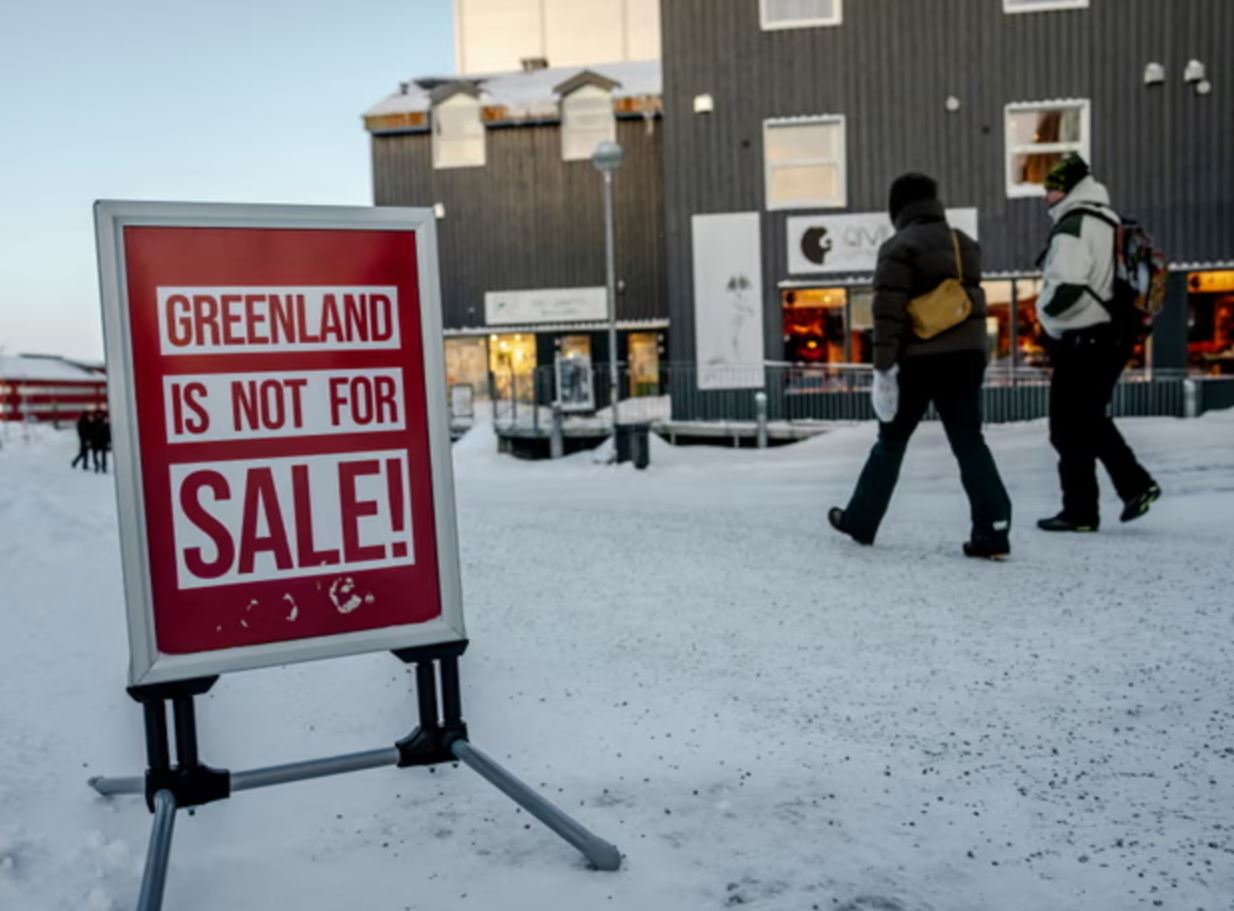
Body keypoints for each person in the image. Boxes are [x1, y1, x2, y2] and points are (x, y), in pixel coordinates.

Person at [829, 173, 1012, 558]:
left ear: (898, 208)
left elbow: (887, 316)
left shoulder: (898, 247)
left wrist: (883, 370)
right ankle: (994, 527)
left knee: (890, 443)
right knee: (969, 442)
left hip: (918, 361)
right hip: (965, 358)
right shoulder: (964, 244)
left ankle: (861, 521)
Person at [1034, 154, 1160, 532]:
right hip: (1111, 334)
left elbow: (1068, 287)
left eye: (1052, 189)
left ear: (1068, 189)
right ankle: (1116, 495)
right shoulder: (1107, 219)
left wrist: (1044, 315)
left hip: (1083, 337)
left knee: (1067, 425)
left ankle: (1087, 509)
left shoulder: (1073, 225)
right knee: (1088, 418)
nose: (1046, 197)